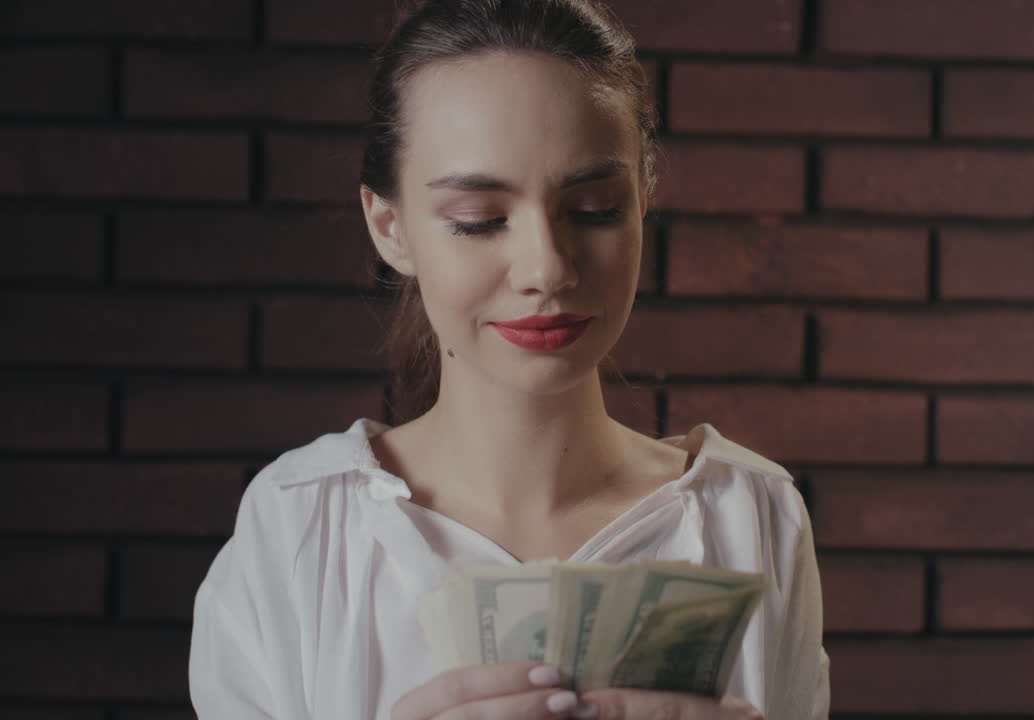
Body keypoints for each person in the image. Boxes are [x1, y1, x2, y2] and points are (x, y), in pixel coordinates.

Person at [188, 0, 830, 717]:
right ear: (389, 226)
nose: (546, 269)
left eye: (593, 210)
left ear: (644, 202)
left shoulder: (752, 517)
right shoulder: (302, 527)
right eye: (479, 221)